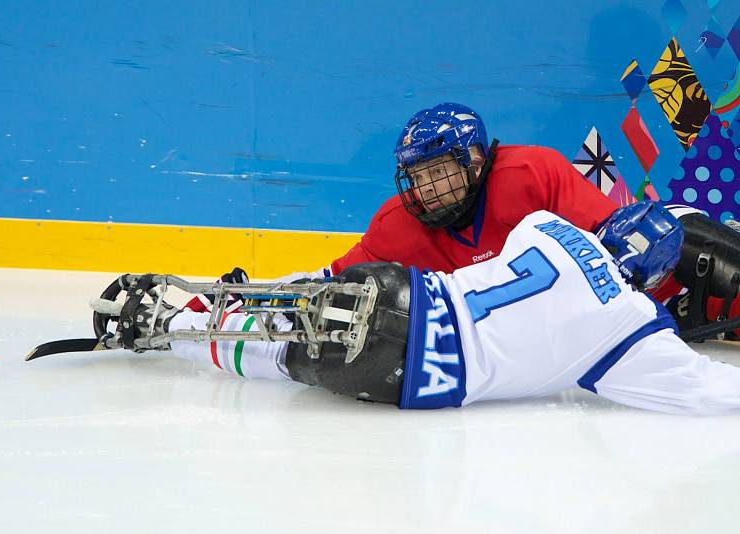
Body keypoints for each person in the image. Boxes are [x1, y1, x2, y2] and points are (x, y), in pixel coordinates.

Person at [109, 202, 740, 415]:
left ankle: (177, 313)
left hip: (407, 289)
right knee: (284, 356)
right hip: (422, 368)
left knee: (296, 304)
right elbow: (709, 393)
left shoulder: (547, 225)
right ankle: (185, 337)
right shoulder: (630, 329)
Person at [197, 103, 740, 340]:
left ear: (476, 161)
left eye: (440, 171)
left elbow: (613, 243)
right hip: (531, 338)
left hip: (621, 303)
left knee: (696, 244)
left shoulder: (531, 173)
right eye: (417, 176)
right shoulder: (395, 226)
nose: (428, 190)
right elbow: (329, 280)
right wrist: (238, 299)